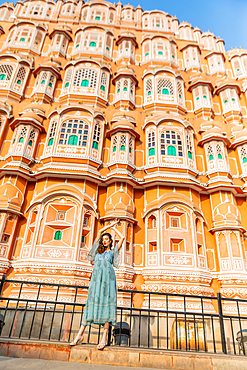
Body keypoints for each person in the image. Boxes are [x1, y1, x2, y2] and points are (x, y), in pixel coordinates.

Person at [70, 219, 125, 350]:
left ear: (111, 241)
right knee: (90, 305)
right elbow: (99, 232)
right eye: (103, 239)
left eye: (107, 239)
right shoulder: (97, 252)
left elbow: (122, 237)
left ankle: (104, 337)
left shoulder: (112, 252)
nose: (104, 240)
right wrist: (109, 225)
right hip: (96, 283)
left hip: (108, 283)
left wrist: (114, 229)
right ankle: (79, 335)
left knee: (107, 307)